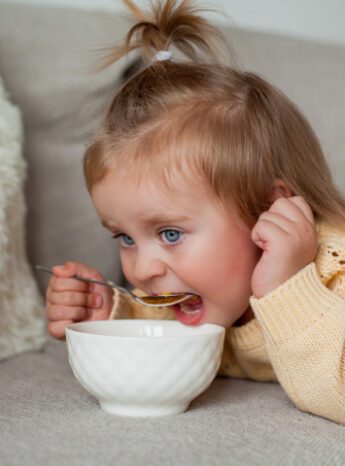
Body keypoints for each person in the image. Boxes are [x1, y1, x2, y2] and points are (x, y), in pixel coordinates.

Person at [45, 0, 345, 424]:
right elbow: (160, 319)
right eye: (125, 238)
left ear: (269, 211)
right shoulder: (198, 290)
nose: (143, 270)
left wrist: (288, 289)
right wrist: (112, 312)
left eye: (169, 234)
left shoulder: (335, 271)